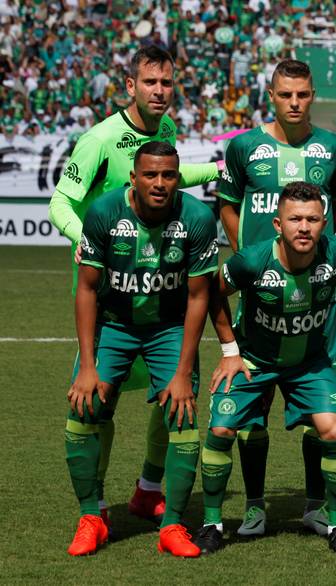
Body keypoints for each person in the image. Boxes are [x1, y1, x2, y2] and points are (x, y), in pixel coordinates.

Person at [193, 181, 336, 555]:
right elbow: (212, 292)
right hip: (255, 361)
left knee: (334, 430)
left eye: (312, 219)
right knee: (220, 428)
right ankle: (212, 523)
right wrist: (230, 350)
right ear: (277, 224)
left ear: (325, 223)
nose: (304, 227)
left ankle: (335, 523)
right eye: (295, 219)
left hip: (309, 365)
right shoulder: (251, 261)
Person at [49, 44, 221, 530]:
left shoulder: (163, 130)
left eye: (167, 83)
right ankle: (97, 507)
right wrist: (94, 243)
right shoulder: (99, 138)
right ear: (130, 86)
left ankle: (148, 489)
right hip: (111, 291)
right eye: (150, 83)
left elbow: (167, 174)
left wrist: (218, 171)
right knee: (96, 402)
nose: (160, 92)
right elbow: (60, 203)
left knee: (169, 396)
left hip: (160, 290)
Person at [64, 141, 218, 557]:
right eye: (150, 175)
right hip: (114, 325)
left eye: (168, 175)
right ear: (134, 177)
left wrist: (184, 372)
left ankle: (172, 528)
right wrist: (87, 365)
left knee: (183, 417)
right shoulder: (105, 212)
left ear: (178, 177)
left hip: (168, 328)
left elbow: (199, 297)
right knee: (83, 410)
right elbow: (87, 288)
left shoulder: (198, 217)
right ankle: (91, 517)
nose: (160, 183)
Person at [215, 58, 336, 538]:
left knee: (323, 413)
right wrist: (245, 256)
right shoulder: (245, 146)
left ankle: (315, 504)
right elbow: (226, 204)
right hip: (263, 297)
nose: (295, 103)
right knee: (251, 412)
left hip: (318, 303)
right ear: (271, 96)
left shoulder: (333, 146)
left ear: (313, 96)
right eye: (285, 95)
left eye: (303, 94)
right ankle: (254, 506)